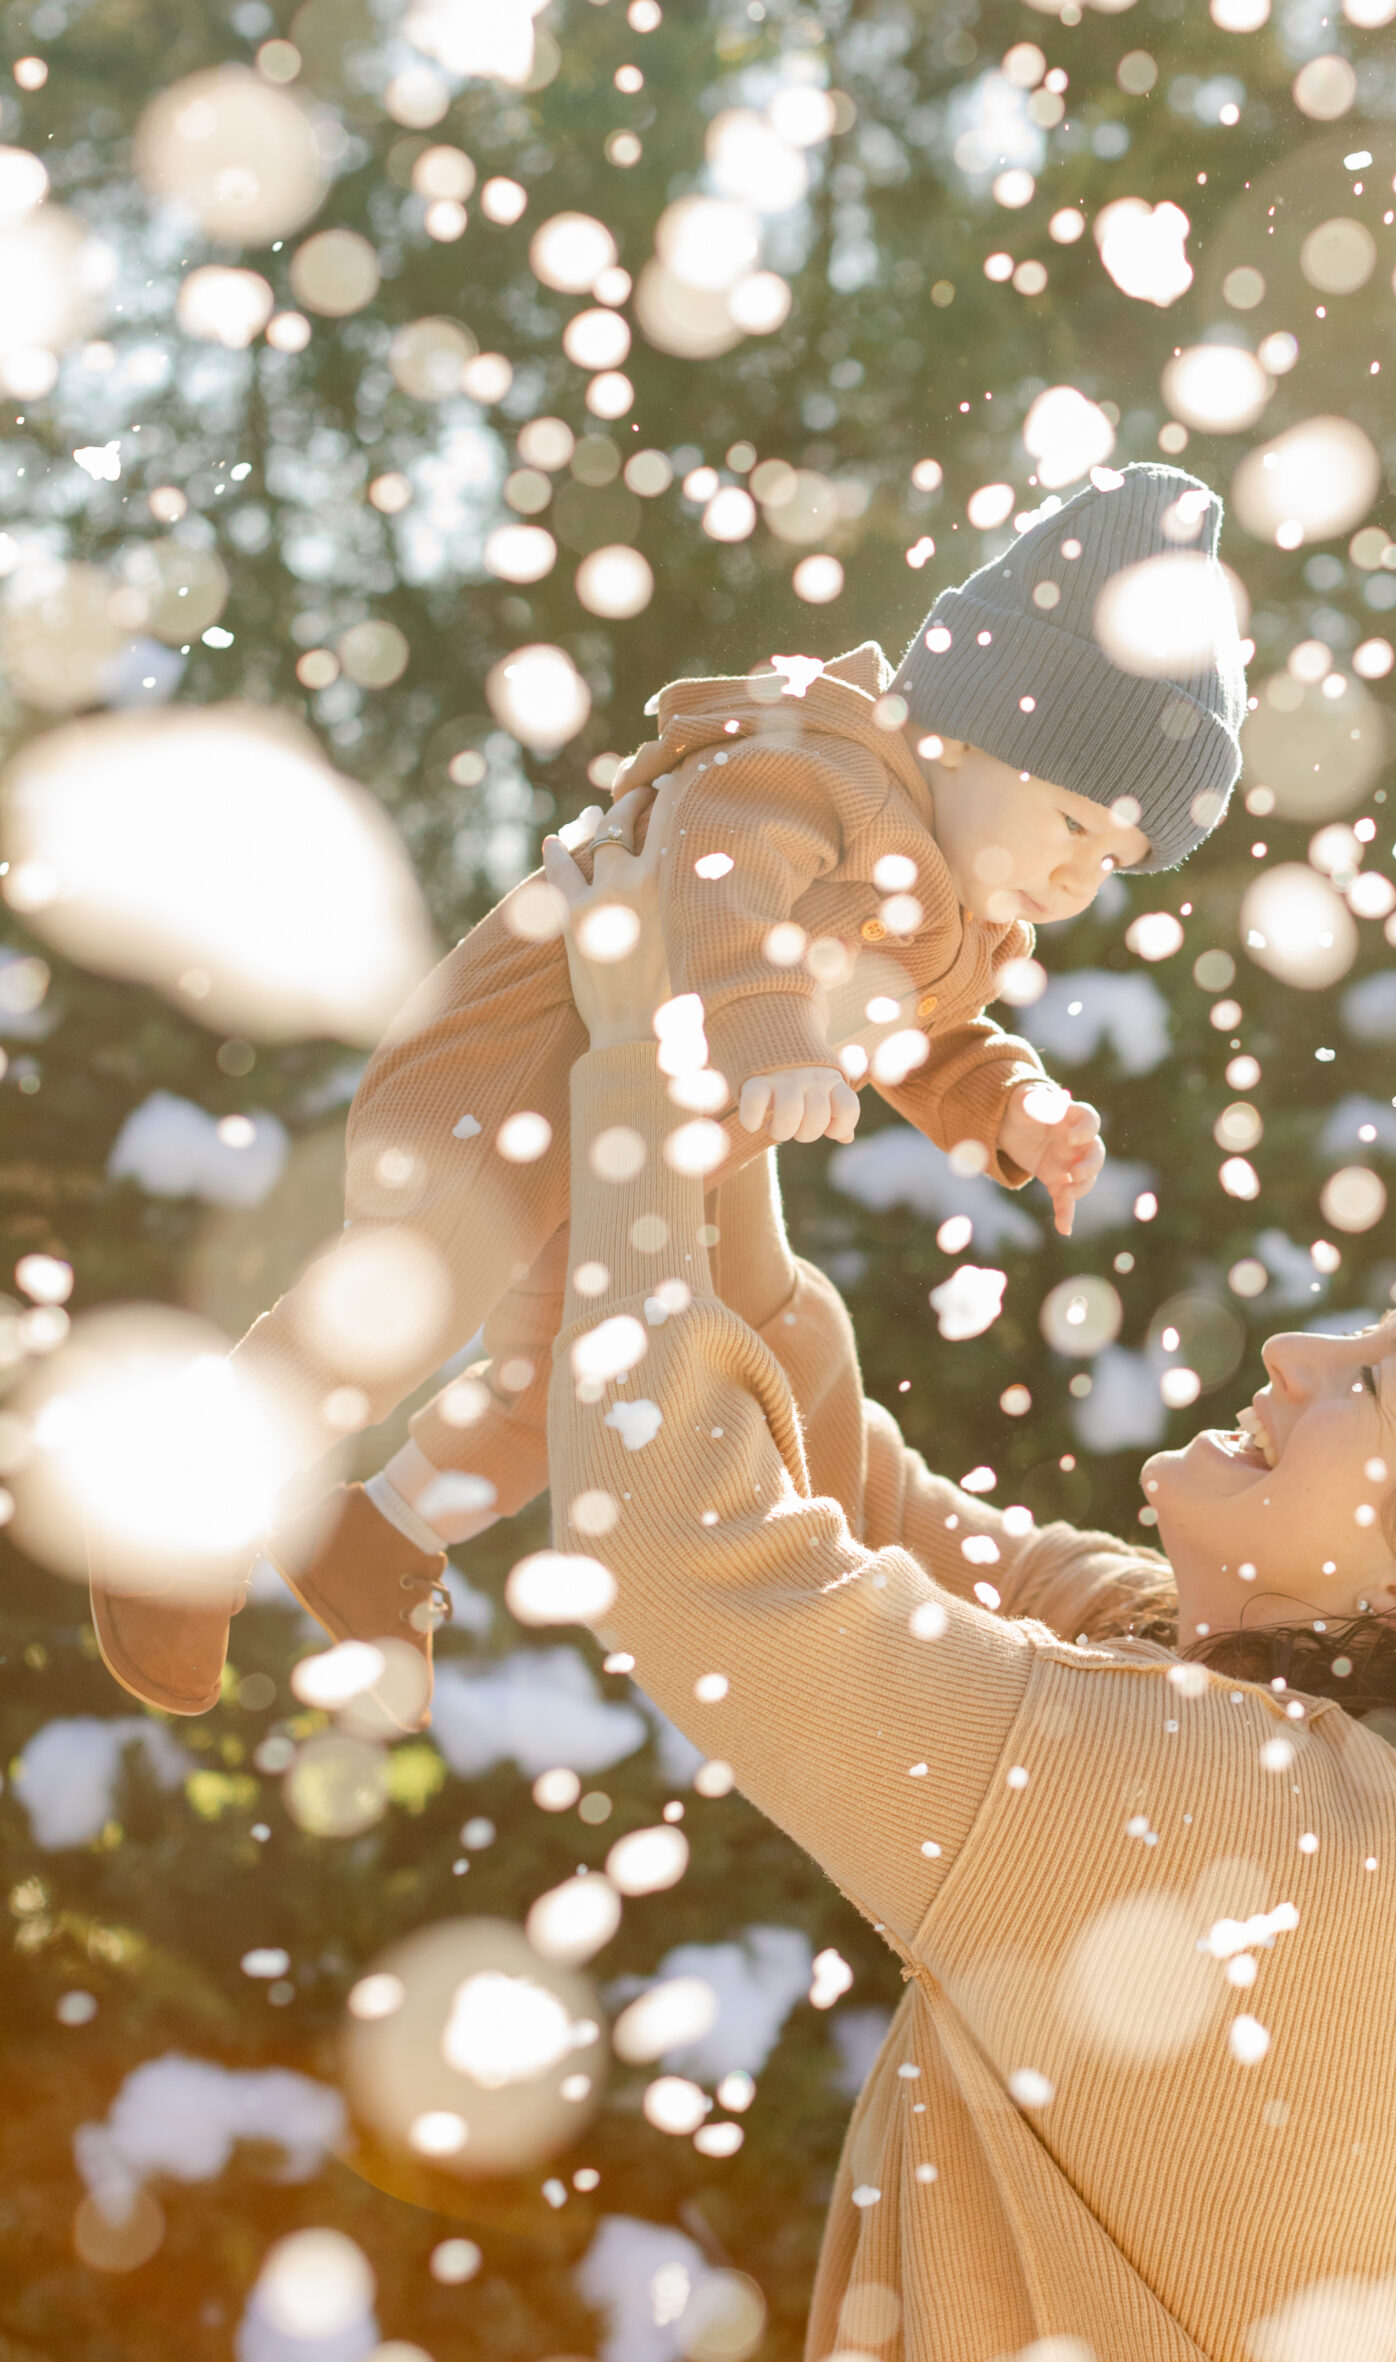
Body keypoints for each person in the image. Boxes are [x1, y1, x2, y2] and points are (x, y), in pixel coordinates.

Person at [535, 808, 1396, 2362]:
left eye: (1372, 1383)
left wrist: (645, 1058)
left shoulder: (1244, 1821)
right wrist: (725, 1014)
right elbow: (836, 1484)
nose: (1291, 1352)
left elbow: (687, 1542)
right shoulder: (1262, 1745)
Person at [89, 461, 1246, 1724]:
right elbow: (714, 882)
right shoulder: (817, 770)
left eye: (1118, 860)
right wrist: (768, 1036)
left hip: (630, 1129)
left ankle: (383, 1536)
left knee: (573, 1374)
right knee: (416, 1287)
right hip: (520, 1063)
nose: (1081, 879)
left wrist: (1006, 1103)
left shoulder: (954, 912)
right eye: (1075, 825)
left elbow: (921, 1030)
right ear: (969, 732)